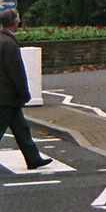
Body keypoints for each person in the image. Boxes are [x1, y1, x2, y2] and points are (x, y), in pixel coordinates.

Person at [0, 9, 52, 170]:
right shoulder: (8, 44)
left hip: (7, 97)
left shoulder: (3, 40)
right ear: (15, 23)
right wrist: (24, 92)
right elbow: (16, 72)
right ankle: (33, 158)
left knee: (22, 128)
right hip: (6, 96)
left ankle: (33, 158)